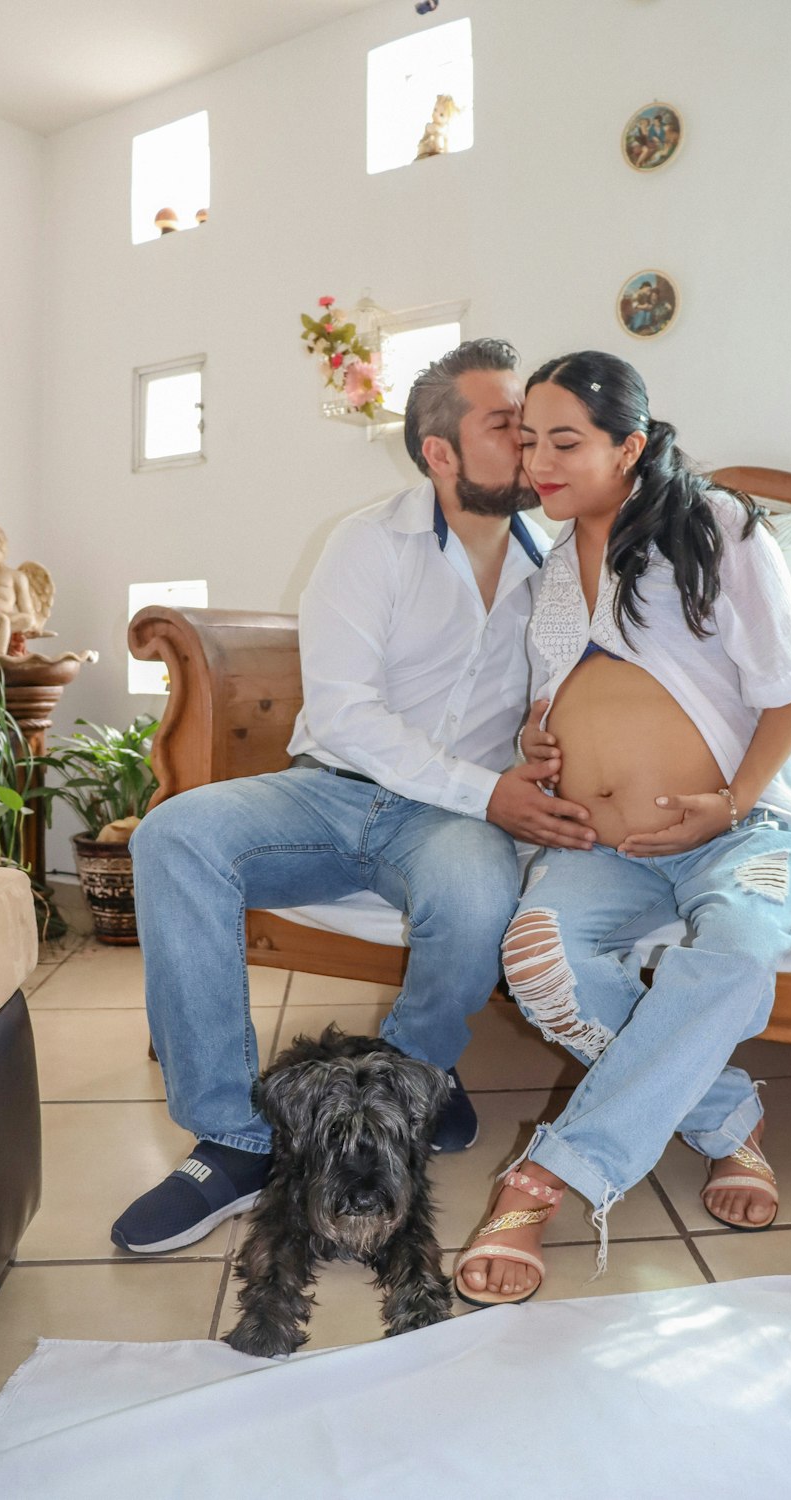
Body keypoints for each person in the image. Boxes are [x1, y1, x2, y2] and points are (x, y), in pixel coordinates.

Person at [111, 338, 596, 1256]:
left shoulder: (563, 565)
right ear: (439, 452)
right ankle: (236, 1137)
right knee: (174, 835)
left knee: (472, 891)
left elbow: (574, 692)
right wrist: (489, 789)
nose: (531, 443)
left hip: (452, 822)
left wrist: (542, 748)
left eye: (535, 427)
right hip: (331, 794)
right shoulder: (368, 542)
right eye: (507, 425)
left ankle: (413, 1087)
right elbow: (345, 712)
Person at [454, 350, 791, 1307]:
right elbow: (554, 699)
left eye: (567, 442)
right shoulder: (555, 569)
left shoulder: (716, 525)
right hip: (602, 845)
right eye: (529, 441)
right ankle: (728, 1122)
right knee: (541, 963)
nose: (540, 462)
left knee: (736, 949)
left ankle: (547, 1177)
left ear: (629, 445)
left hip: (742, 828)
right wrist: (539, 747)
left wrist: (729, 801)